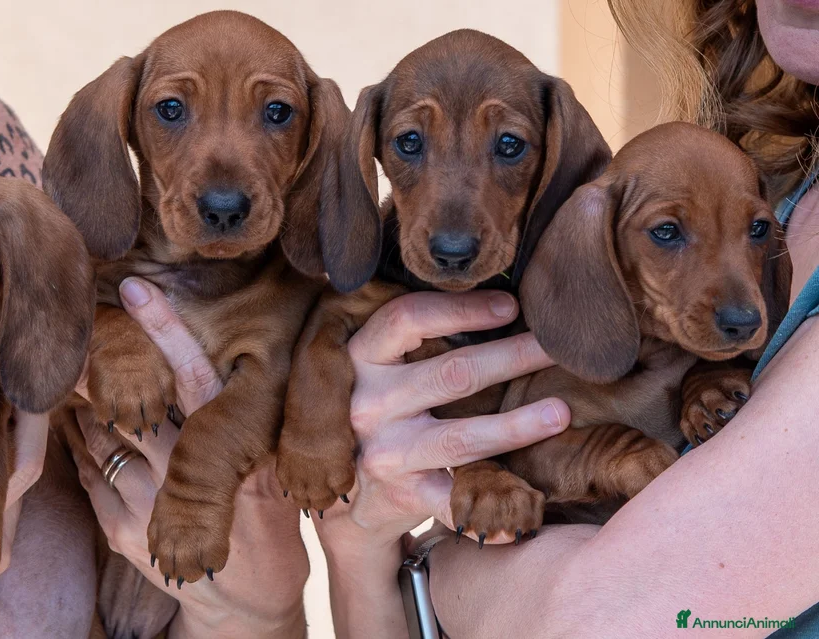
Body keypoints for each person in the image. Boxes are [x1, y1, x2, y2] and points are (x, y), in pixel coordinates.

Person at [315, 0, 819, 636]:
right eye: (410, 144)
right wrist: (359, 542)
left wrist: (440, 555)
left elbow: (596, 618)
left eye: (507, 146)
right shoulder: (741, 184)